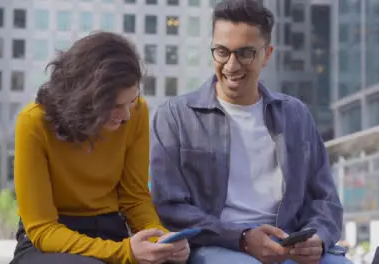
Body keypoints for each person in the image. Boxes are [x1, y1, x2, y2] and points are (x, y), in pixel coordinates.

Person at [149, 1, 351, 263]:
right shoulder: (174, 116)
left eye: (245, 53)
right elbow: (170, 207)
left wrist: (319, 239)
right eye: (221, 51)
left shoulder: (295, 115)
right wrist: (242, 237)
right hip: (217, 247)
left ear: (267, 54)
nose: (231, 65)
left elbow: (326, 199)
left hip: (289, 244)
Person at [10, 31, 190, 264]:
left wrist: (160, 240)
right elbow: (43, 229)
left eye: (131, 101)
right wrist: (126, 253)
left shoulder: (136, 112)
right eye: (115, 106)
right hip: (47, 243)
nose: (125, 115)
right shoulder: (33, 123)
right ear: (85, 100)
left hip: (110, 230)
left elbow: (134, 199)